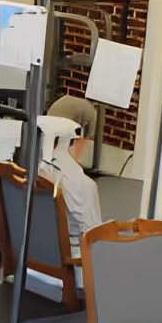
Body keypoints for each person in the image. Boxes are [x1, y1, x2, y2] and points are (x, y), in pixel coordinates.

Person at [38, 95, 103, 257]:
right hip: (69, 273)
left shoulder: (33, 171)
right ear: (81, 139)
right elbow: (95, 240)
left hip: (30, 267)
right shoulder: (82, 185)